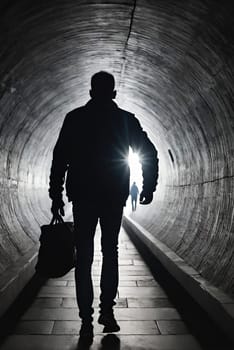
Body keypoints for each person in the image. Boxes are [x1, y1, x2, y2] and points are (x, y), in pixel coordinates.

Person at [48, 71, 159, 339]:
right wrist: (148, 186)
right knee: (110, 251)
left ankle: (85, 317)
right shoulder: (125, 119)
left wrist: (56, 195)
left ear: (90, 92)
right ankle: (106, 311)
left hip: (83, 197)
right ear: (113, 93)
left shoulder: (75, 118)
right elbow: (149, 153)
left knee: (84, 255)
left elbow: (59, 158)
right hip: (112, 196)